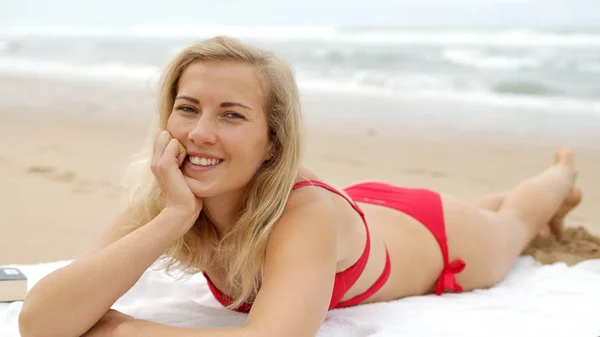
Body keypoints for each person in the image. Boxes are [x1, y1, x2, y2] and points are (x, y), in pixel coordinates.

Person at [18, 36, 582, 337]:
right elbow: (42, 322)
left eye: (232, 115)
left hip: (436, 237)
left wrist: (120, 330)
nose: (200, 134)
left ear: (273, 141)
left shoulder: (302, 217)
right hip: (361, 215)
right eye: (187, 108)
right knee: (497, 212)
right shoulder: (166, 195)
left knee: (513, 224)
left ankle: (563, 176)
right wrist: (171, 219)